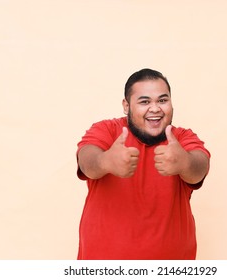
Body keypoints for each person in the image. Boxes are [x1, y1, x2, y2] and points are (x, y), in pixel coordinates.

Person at [76, 68, 210, 260]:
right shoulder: (107, 130)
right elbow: (86, 160)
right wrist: (106, 161)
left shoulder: (182, 138)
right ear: (126, 105)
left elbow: (200, 167)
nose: (155, 108)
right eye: (144, 101)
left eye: (162, 100)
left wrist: (184, 162)